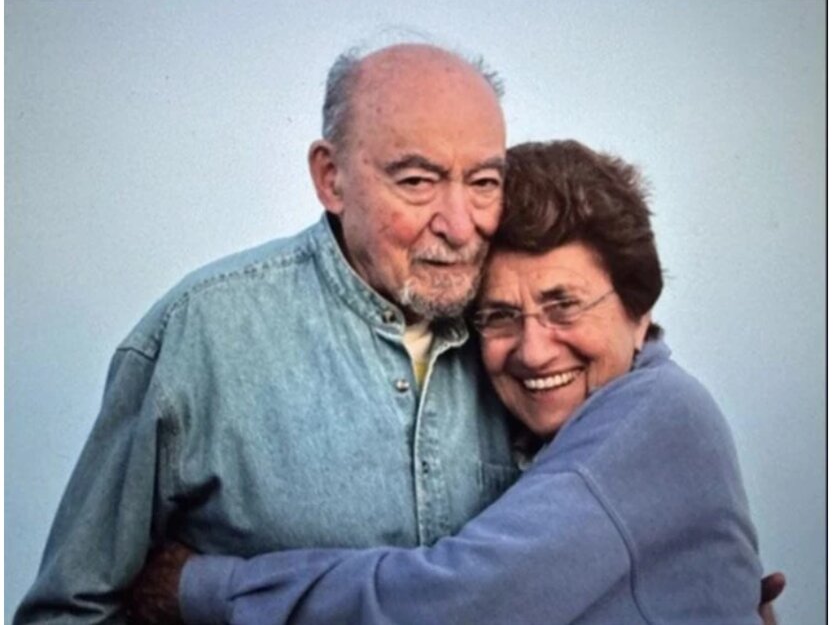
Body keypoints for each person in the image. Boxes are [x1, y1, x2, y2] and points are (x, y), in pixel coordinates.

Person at [143, 140, 772, 623]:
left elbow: (454, 602)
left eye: (564, 306)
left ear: (640, 312)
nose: (532, 350)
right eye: (499, 316)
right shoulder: (577, 427)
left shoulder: (657, 413)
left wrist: (206, 589)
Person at [14, 43, 520, 623]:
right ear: (330, 178)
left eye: (484, 182)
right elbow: (68, 611)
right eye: (417, 181)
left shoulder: (536, 341)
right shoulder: (201, 334)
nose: (460, 226)